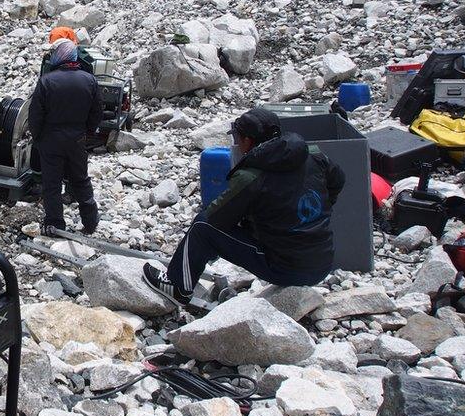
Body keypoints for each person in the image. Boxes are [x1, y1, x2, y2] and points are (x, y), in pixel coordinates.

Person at [143, 107, 346, 307]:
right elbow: (338, 180)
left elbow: (216, 217)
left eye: (238, 138)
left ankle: (177, 286)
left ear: (248, 141)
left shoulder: (252, 176)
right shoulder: (313, 154)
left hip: (287, 268)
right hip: (323, 260)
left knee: (202, 226)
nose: (237, 144)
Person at [29, 39, 102, 236]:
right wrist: (87, 133)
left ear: (59, 57)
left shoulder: (46, 81)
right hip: (77, 137)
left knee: (52, 184)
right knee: (80, 179)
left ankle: (55, 224)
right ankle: (90, 221)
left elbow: (35, 115)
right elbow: (96, 113)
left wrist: (38, 138)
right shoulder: (89, 80)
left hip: (51, 139)